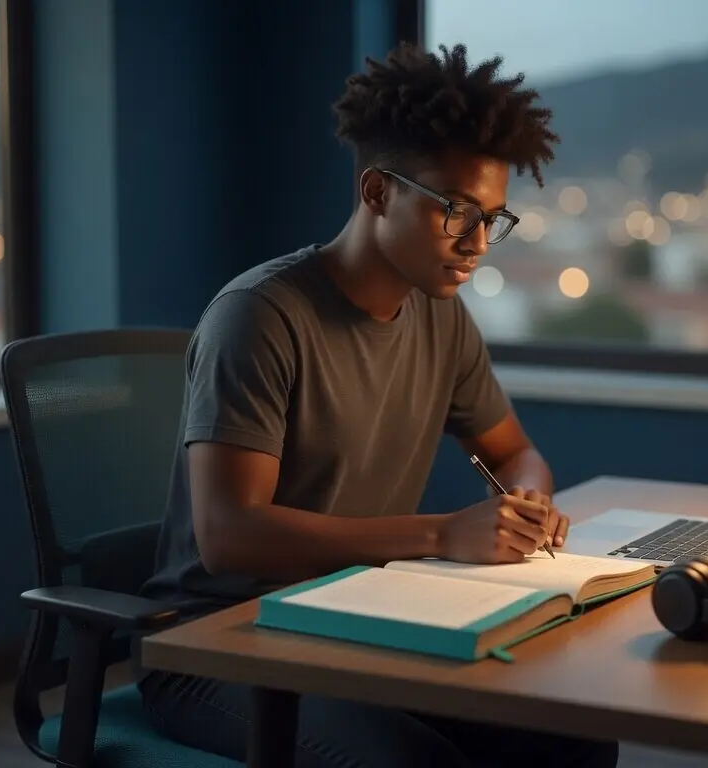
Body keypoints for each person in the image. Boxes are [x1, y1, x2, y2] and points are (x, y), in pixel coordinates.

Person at [135, 41, 619, 768]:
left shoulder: (441, 316)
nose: (478, 242)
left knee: (572, 740)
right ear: (377, 192)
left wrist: (527, 501)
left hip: (358, 620)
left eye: (493, 217)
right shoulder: (260, 317)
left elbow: (515, 450)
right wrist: (439, 536)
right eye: (456, 211)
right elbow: (230, 536)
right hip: (220, 643)